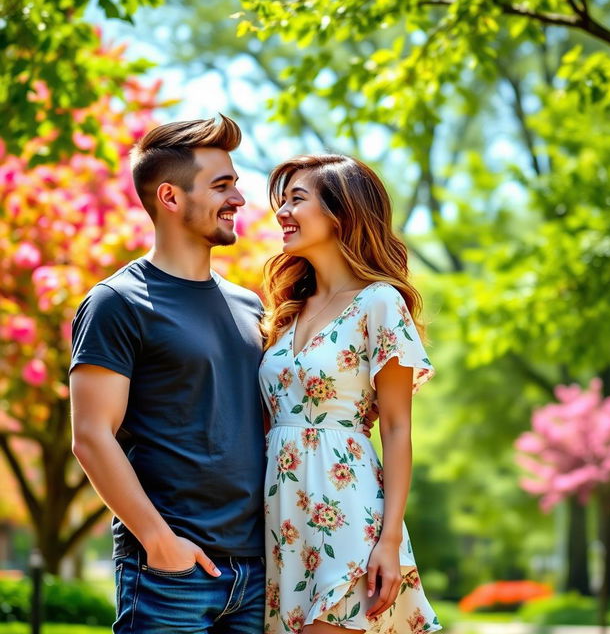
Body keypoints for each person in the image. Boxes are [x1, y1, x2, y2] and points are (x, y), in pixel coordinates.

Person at [69, 116, 268, 633]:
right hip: (170, 572)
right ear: (170, 198)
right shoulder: (117, 302)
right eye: (222, 186)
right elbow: (91, 436)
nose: (240, 199)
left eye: (236, 184)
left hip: (257, 570)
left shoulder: (250, 306)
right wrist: (159, 541)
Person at [259, 154, 442, 633]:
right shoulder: (287, 312)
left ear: (342, 213)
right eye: (282, 200)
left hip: (348, 510)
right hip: (281, 521)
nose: (282, 212)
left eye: (297, 199)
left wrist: (388, 540)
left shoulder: (379, 302)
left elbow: (399, 428)